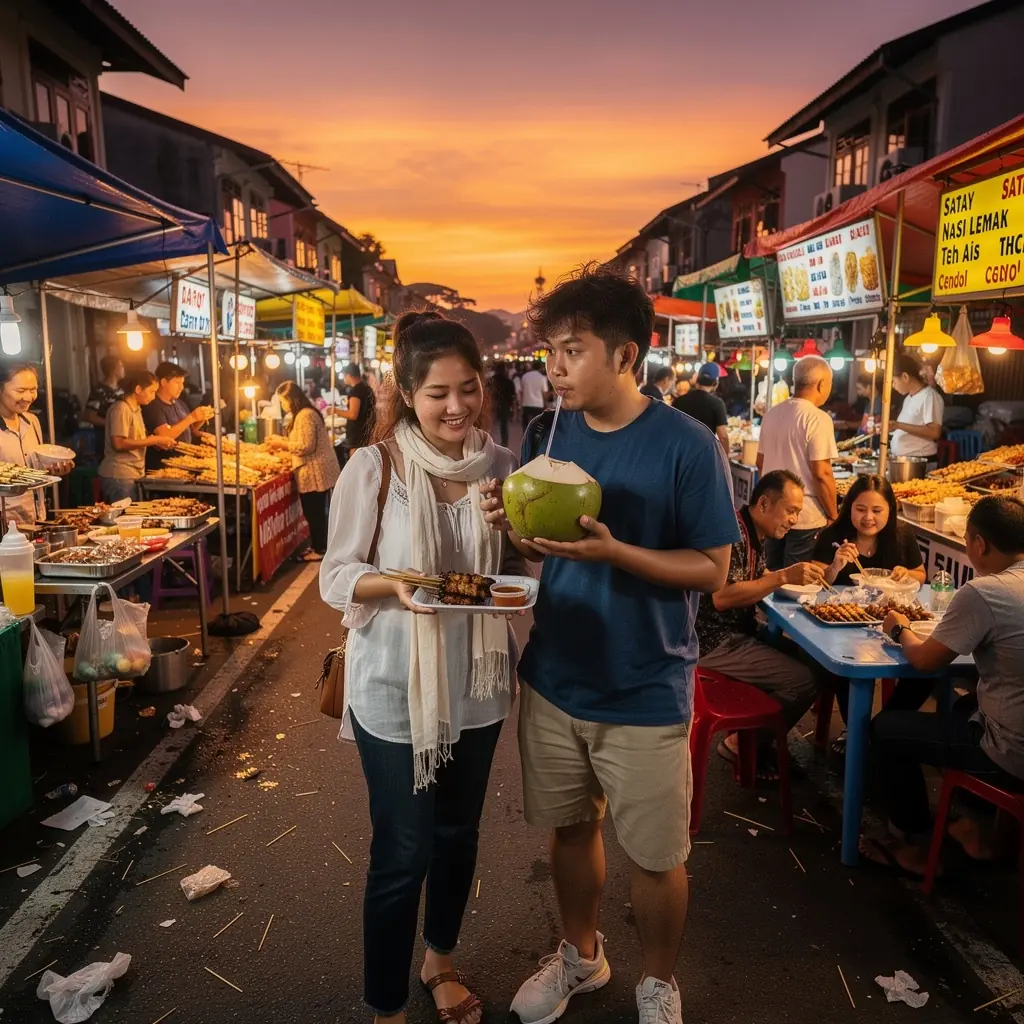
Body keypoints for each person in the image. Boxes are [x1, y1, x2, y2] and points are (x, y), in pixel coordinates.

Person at [481, 267, 737, 1024]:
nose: (552, 367)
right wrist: (512, 528)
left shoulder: (687, 446)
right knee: (569, 829)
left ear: (625, 355)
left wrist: (618, 553)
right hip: (557, 675)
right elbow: (538, 553)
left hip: (646, 683)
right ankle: (581, 957)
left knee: (659, 856)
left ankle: (658, 982)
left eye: (572, 350)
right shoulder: (544, 432)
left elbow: (714, 571)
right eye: (549, 351)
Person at [320, 311, 522, 1024]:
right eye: (438, 393)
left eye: (468, 389)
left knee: (458, 834)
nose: (457, 407)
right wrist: (393, 583)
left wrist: (516, 534)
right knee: (403, 851)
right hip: (393, 684)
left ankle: (439, 959)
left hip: (477, 683)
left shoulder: (500, 468)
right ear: (407, 393)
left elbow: (516, 575)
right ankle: (386, 1005)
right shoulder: (372, 469)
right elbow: (336, 575)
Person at [863, 497, 1024, 876]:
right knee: (963, 708)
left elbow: (924, 661)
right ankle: (978, 827)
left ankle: (913, 844)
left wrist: (898, 627)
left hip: (1012, 752)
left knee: (886, 730)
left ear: (979, 543)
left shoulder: (985, 591)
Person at [696, 470, 824, 779]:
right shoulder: (734, 534)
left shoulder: (753, 531)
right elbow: (722, 597)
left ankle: (755, 741)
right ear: (764, 503)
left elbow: (758, 576)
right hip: (713, 640)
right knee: (803, 680)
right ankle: (742, 744)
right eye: (790, 510)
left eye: (798, 511)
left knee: (815, 664)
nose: (794, 519)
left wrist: (799, 574)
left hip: (735, 632)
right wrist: (782, 577)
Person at [812, 474, 928, 752]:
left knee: (925, 668)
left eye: (877, 510)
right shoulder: (832, 536)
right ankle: (855, 729)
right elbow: (816, 582)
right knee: (846, 661)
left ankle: (880, 728)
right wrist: (835, 566)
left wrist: (906, 573)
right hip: (843, 626)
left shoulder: (902, 537)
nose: (868, 518)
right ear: (848, 507)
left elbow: (921, 575)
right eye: (860, 509)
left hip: (889, 623)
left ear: (890, 509)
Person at [756, 355, 838, 569]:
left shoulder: (772, 414)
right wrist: (834, 514)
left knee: (769, 576)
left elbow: (760, 463)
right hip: (805, 516)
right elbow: (822, 474)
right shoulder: (818, 418)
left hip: (773, 512)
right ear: (821, 384)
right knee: (797, 582)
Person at [267, 381, 340, 560]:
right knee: (316, 511)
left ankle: (319, 549)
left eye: (284, 401)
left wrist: (281, 443)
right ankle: (319, 545)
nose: (283, 406)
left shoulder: (305, 415)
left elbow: (306, 446)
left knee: (313, 511)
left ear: (292, 399)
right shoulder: (304, 413)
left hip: (315, 471)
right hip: (315, 470)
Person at [0, 364, 73, 524]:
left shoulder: (31, 421)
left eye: (33, 390)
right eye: (20, 391)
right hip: (6, 522)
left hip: (36, 516)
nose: (28, 397)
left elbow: (33, 469)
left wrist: (53, 469)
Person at [97, 371, 173, 503]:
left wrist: (155, 442)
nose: (153, 397)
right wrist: (153, 439)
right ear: (138, 389)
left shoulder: (136, 408)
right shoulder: (121, 408)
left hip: (133, 473)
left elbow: (137, 438)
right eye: (151, 392)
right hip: (120, 475)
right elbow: (118, 443)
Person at [141, 362, 213, 469]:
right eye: (177, 382)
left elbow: (190, 430)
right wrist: (192, 417)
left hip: (184, 464)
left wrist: (201, 418)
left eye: (182, 383)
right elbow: (165, 436)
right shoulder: (152, 406)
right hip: (164, 467)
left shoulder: (180, 403)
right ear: (164, 382)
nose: (181, 387)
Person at [889, 352, 945, 460]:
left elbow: (934, 432)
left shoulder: (929, 396)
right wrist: (892, 428)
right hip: (904, 459)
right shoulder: (908, 398)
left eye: (893, 381)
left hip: (920, 460)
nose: (892, 386)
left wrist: (898, 425)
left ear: (905, 377)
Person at [673, 362, 729, 455]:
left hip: (681, 454)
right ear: (715, 383)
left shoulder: (679, 401)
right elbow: (723, 437)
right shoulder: (717, 404)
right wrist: (725, 459)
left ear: (697, 380)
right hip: (704, 455)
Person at [82, 354, 123, 453]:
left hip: (122, 437)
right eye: (121, 366)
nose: (123, 369)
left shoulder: (122, 390)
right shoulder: (99, 391)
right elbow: (89, 416)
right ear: (114, 370)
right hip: (104, 440)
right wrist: (111, 424)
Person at [338, 363, 376, 455]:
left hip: (357, 436)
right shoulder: (367, 388)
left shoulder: (356, 391)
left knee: (355, 465)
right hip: (366, 432)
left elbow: (353, 414)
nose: (344, 378)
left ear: (349, 375)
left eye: (344, 376)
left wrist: (335, 410)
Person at [489, 361, 517, 446]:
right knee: (504, 426)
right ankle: (504, 443)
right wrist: (514, 411)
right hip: (505, 406)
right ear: (505, 370)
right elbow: (513, 397)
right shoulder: (509, 381)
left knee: (490, 425)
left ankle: (489, 443)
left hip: (493, 405)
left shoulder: (491, 380)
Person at [519, 359, 548, 431]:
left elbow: (522, 391)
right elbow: (544, 393)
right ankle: (535, 440)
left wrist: (520, 404)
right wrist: (545, 404)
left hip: (526, 403)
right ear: (540, 368)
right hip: (538, 404)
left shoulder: (525, 376)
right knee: (537, 425)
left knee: (525, 424)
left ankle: (525, 439)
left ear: (532, 367)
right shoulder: (542, 378)